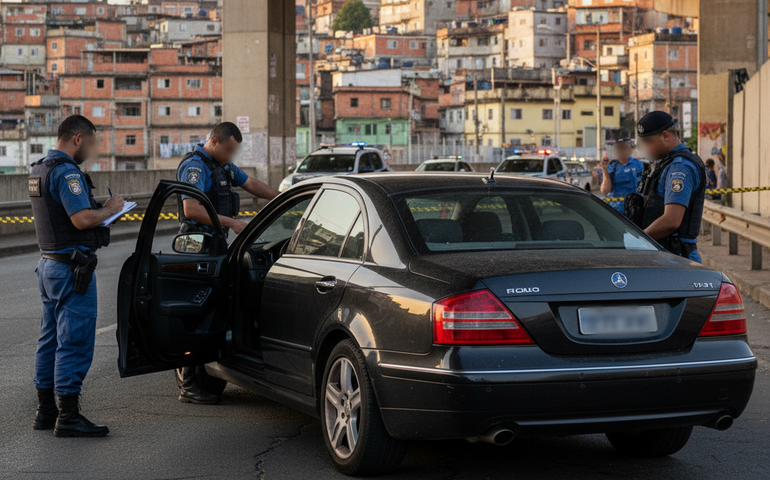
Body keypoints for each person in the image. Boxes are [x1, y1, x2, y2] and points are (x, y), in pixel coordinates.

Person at [29, 115, 125, 437]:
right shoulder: (67, 171)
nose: (93, 149)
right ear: (78, 139)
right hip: (72, 269)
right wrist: (111, 208)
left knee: (50, 339)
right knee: (75, 340)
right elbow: (83, 219)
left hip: (49, 265)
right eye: (93, 142)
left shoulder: (39, 169)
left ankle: (46, 410)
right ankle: (68, 416)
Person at [175, 122, 279, 404]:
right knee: (199, 311)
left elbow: (251, 184)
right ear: (215, 142)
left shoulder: (223, 167)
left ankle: (206, 374)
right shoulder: (195, 167)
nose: (232, 156)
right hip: (197, 247)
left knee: (216, 310)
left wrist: (282, 199)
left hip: (215, 246)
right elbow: (191, 209)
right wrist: (233, 222)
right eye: (229, 150)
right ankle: (189, 383)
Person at [636, 111, 706, 263]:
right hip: (665, 254)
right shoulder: (667, 164)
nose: (645, 148)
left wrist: (638, 240)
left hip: (676, 256)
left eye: (648, 141)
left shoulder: (679, 167)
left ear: (666, 136)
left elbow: (671, 220)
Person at [600, 140, 644, 214]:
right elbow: (604, 191)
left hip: (636, 209)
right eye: (619, 149)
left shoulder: (638, 164)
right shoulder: (611, 166)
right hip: (616, 210)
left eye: (624, 148)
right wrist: (604, 170)